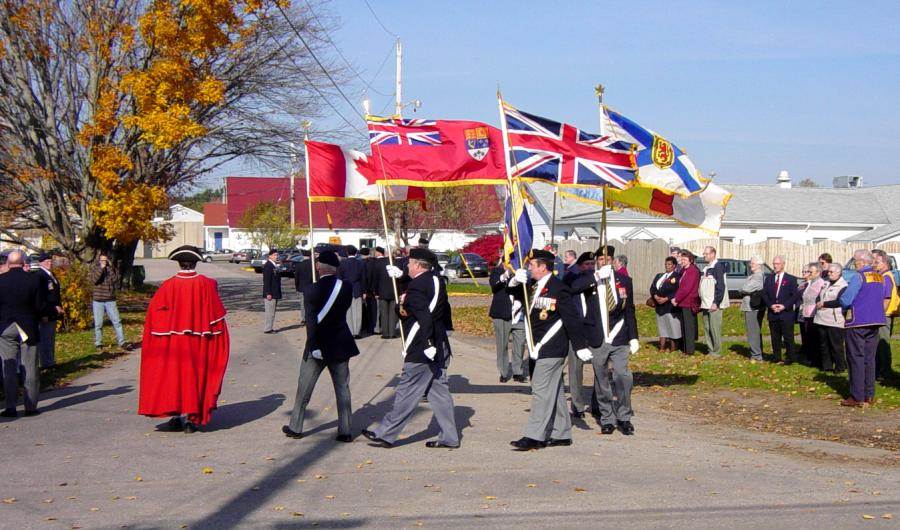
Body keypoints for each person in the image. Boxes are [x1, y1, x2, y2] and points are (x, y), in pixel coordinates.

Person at [363, 249, 459, 449]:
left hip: (421, 345)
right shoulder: (436, 280)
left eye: (409, 263)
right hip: (436, 343)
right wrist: (401, 282)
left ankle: (386, 433)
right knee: (439, 394)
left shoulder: (417, 287)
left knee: (407, 391)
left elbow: (423, 316)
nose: (406, 266)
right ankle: (449, 437)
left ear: (417, 264)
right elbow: (416, 308)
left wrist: (427, 344)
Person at [139, 246, 229, 433]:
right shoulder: (207, 284)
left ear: (179, 263)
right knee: (196, 376)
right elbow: (217, 319)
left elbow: (154, 319)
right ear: (196, 263)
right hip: (200, 342)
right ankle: (191, 417)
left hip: (174, 344)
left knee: (175, 378)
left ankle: (178, 415)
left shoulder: (167, 286)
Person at [508, 250, 591, 451]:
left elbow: (572, 318)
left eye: (532, 265)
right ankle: (562, 433)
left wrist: (580, 347)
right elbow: (514, 295)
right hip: (538, 346)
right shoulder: (534, 286)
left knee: (540, 390)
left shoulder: (559, 288)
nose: (529, 268)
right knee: (553, 391)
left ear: (543, 266)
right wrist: (514, 282)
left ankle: (534, 435)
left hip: (552, 347)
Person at [283, 250, 358, 441]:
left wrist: (314, 345)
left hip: (319, 344)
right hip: (340, 342)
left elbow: (311, 321)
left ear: (318, 267)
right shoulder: (346, 288)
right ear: (335, 268)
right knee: (342, 389)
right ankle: (346, 430)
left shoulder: (311, 290)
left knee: (304, 388)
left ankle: (296, 427)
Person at [571, 246, 640, 436]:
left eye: (608, 259)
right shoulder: (589, 281)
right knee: (601, 381)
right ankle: (607, 418)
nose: (604, 262)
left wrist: (634, 337)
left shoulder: (624, 281)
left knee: (622, 376)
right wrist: (595, 277)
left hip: (620, 337)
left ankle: (624, 416)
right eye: (601, 259)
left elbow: (629, 310)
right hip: (597, 338)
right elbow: (572, 289)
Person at [839, 250, 886, 407]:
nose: (855, 263)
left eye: (856, 260)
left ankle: (856, 395)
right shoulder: (880, 276)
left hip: (858, 322)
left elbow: (847, 299)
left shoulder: (858, 276)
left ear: (863, 262)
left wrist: (842, 304)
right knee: (869, 359)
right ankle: (869, 394)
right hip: (875, 321)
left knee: (855, 358)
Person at [0, 250, 44, 417]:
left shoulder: (1, 281)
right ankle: (30, 406)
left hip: (6, 326)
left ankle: (11, 406)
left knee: (8, 366)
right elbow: (39, 305)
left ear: (8, 263)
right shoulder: (34, 280)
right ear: (23, 262)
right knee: (30, 366)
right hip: (28, 325)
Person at [565, 251, 597, 417]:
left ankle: (597, 403)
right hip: (577, 328)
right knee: (576, 369)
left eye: (593, 264)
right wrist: (594, 277)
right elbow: (574, 287)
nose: (590, 267)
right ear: (579, 266)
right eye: (587, 264)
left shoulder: (597, 279)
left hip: (593, 328)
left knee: (600, 367)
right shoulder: (572, 277)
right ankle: (577, 405)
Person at [489, 256, 527, 383]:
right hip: (502, 314)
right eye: (510, 262)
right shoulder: (497, 272)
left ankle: (518, 371)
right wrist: (506, 275)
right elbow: (494, 286)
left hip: (518, 314)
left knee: (520, 344)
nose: (512, 264)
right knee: (502, 344)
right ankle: (504, 372)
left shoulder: (521, 273)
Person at [762, 256, 800, 364]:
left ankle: (790, 357)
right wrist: (770, 305)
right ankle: (776, 357)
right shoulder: (769, 278)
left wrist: (784, 305)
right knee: (775, 337)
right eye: (774, 263)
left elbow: (794, 296)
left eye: (778, 264)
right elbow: (765, 294)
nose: (775, 266)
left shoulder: (791, 279)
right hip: (773, 312)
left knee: (788, 337)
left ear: (783, 264)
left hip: (786, 313)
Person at [90, 252, 129, 350]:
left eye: (105, 260)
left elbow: (115, 279)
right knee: (98, 323)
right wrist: (101, 268)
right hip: (98, 300)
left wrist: (110, 268)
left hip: (110, 300)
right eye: (102, 260)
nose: (104, 262)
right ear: (99, 260)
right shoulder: (95, 268)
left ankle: (122, 341)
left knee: (117, 321)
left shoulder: (111, 269)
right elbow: (94, 280)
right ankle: (98, 342)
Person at [814, 263, 848, 373]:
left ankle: (840, 366)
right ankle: (827, 366)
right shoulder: (826, 283)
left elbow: (840, 301)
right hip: (821, 318)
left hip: (834, 320)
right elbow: (819, 296)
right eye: (828, 272)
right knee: (824, 344)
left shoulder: (844, 286)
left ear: (838, 272)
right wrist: (819, 302)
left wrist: (824, 304)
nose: (829, 274)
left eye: (832, 272)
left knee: (836, 346)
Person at [36, 252, 63, 369]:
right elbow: (41, 296)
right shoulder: (40, 275)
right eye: (46, 261)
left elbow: (55, 293)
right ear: (40, 263)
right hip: (47, 311)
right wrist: (45, 312)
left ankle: (50, 361)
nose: (49, 263)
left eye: (50, 261)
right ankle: (46, 363)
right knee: (45, 339)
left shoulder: (50, 275)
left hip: (53, 310)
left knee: (50, 337)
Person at [699, 246, 727, 357]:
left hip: (714, 304)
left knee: (714, 328)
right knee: (707, 327)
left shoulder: (718, 267)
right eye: (704, 253)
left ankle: (717, 351)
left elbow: (720, 286)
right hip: (705, 303)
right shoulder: (707, 267)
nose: (704, 255)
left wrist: (716, 302)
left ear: (713, 254)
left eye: (706, 253)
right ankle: (710, 349)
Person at [872, 249, 896, 381]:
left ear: (885, 263)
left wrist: (879, 315)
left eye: (877, 262)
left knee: (882, 344)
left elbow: (886, 299)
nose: (874, 265)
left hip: (884, 315)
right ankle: (881, 370)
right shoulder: (883, 276)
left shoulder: (886, 277)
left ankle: (885, 371)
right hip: (883, 314)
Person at [650, 256, 681, 352]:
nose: (667, 266)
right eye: (666, 264)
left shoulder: (677, 276)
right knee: (662, 327)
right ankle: (662, 347)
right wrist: (655, 296)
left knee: (672, 326)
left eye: (669, 264)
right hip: (659, 306)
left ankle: (672, 347)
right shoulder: (659, 276)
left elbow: (677, 291)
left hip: (670, 306)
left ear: (674, 265)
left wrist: (666, 298)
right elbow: (652, 287)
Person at [672, 251, 700, 355]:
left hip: (689, 302)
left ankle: (689, 350)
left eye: (685, 259)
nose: (682, 261)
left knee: (689, 327)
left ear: (690, 260)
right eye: (681, 259)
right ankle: (685, 348)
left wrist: (676, 299)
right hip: (683, 302)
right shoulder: (684, 270)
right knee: (684, 326)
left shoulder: (692, 271)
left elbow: (686, 288)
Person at [739, 256, 766, 361]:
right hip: (752, 306)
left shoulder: (758, 276)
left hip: (752, 307)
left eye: (753, 263)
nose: (751, 265)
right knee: (755, 330)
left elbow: (745, 288)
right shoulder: (755, 275)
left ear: (759, 265)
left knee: (753, 331)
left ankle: (756, 355)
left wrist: (742, 289)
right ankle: (757, 352)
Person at [798, 263, 826, 366]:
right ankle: (810, 357)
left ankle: (816, 360)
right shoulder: (810, 282)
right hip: (806, 313)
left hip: (814, 313)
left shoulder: (821, 283)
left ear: (818, 272)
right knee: (808, 337)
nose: (809, 274)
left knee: (815, 338)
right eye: (808, 271)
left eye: (811, 272)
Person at [338, 245, 365, 339]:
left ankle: (350, 331)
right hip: (357, 288)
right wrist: (364, 291)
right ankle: (357, 332)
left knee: (348, 312)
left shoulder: (342, 264)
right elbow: (363, 278)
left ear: (347, 253)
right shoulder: (360, 263)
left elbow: (339, 278)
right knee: (358, 311)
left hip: (346, 289)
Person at [374, 247, 400, 339]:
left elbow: (375, 278)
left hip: (382, 291)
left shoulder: (379, 263)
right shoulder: (397, 263)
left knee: (384, 313)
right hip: (394, 291)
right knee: (393, 314)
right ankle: (392, 333)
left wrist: (376, 291)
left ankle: (385, 333)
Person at [262, 249, 282, 333]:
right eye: (274, 255)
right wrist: (268, 293)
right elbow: (266, 281)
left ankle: (269, 327)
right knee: (270, 312)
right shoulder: (268, 266)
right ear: (270, 256)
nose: (276, 256)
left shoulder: (274, 265)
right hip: (271, 293)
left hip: (275, 292)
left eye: (277, 255)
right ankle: (268, 329)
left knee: (272, 312)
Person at [359, 247, 378, 336]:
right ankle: (371, 326)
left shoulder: (361, 263)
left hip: (366, 289)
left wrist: (364, 290)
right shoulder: (373, 262)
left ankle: (366, 327)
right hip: (372, 289)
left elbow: (365, 278)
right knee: (372, 309)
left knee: (366, 309)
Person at [293, 250, 313, 326]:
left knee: (303, 304)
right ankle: (310, 317)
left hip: (302, 287)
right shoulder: (313, 265)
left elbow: (296, 277)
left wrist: (297, 287)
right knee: (311, 303)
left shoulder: (299, 265)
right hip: (311, 287)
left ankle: (304, 319)